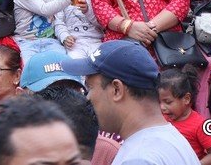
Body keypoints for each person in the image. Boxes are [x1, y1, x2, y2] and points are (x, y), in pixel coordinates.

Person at [64, 40, 199, 165]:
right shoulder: (170, 139)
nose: (87, 98)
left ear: (117, 89)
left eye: (90, 87)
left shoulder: (139, 158)